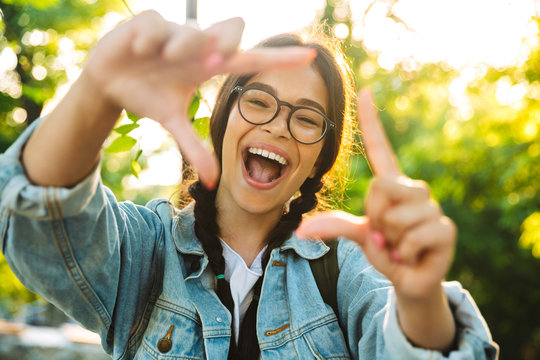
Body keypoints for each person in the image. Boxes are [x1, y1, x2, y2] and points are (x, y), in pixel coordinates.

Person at [0, 11, 498, 360]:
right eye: (259, 101)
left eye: (307, 119)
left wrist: (419, 297)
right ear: (226, 115)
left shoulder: (346, 269)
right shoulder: (148, 249)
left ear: (316, 162)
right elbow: (43, 224)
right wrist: (95, 91)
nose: (279, 126)